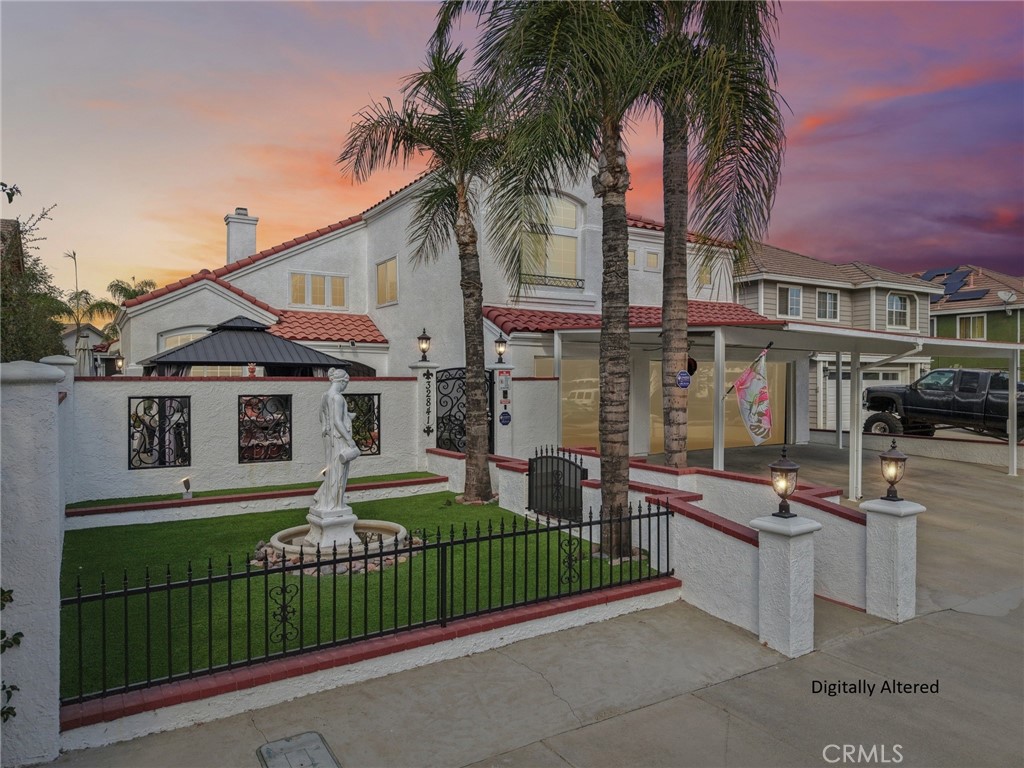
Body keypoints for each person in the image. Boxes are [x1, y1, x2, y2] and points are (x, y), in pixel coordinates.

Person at [312, 367, 360, 510]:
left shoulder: (325, 395)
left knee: (332, 469)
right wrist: (350, 441)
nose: (346, 386)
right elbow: (337, 421)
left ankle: (323, 497)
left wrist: (348, 416)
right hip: (339, 439)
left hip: (329, 439)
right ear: (342, 381)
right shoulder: (338, 397)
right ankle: (334, 504)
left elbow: (323, 417)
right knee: (339, 472)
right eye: (346, 383)